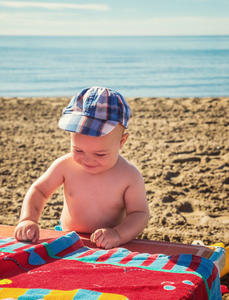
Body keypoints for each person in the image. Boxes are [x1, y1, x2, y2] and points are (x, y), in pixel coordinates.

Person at [14, 86, 149, 249]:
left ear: (122, 142)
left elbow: (139, 214)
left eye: (100, 154)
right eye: (78, 150)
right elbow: (39, 190)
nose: (88, 160)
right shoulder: (65, 166)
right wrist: (28, 219)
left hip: (112, 241)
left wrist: (118, 234)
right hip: (68, 237)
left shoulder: (129, 175)